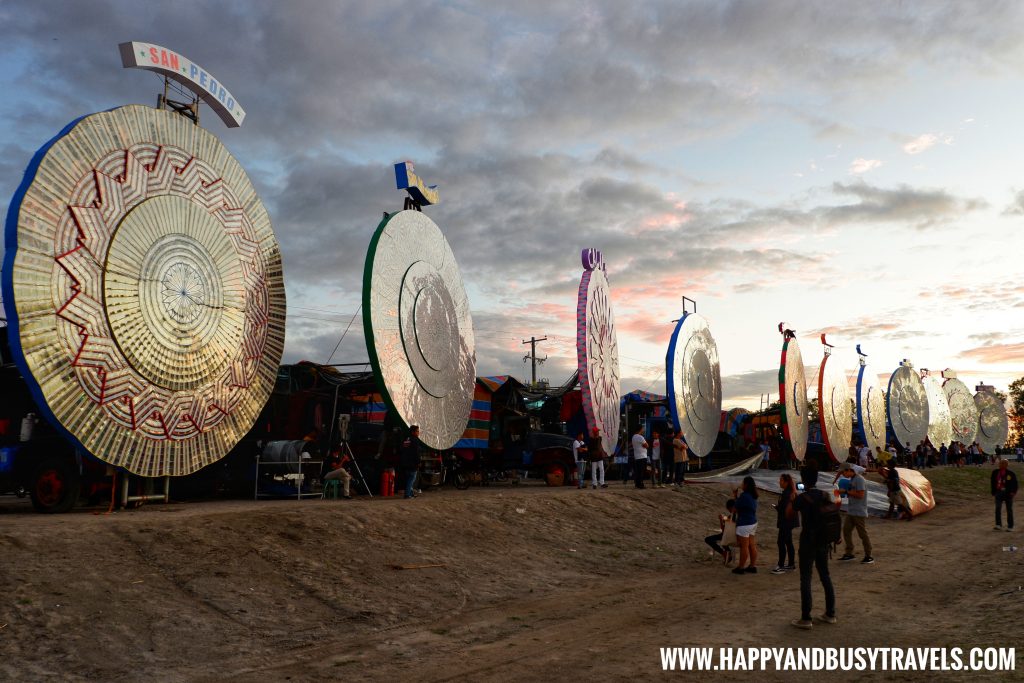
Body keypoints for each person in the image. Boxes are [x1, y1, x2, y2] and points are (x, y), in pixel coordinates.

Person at [787, 462, 837, 629]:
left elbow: (789, 514)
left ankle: (806, 617)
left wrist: (793, 495)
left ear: (803, 480)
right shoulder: (825, 495)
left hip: (808, 540)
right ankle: (830, 613)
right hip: (824, 540)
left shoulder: (802, 498)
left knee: (806, 578)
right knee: (825, 576)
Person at [837, 463, 873, 563]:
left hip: (859, 511)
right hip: (852, 510)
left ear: (849, 470)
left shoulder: (859, 479)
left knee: (862, 534)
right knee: (846, 530)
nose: (842, 474)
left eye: (843, 472)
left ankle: (868, 556)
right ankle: (849, 553)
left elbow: (860, 495)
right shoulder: (853, 479)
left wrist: (846, 492)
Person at [771, 473, 799, 574]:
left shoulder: (787, 493)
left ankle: (781, 565)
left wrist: (777, 507)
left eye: (781, 480)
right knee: (788, 542)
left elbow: (785, 508)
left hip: (786, 521)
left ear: (786, 482)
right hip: (789, 521)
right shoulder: (790, 492)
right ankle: (791, 564)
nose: (779, 482)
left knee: (781, 542)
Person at [732, 476, 759, 574]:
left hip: (744, 523)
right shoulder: (754, 495)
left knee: (744, 546)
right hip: (753, 522)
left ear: (746, 485)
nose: (742, 484)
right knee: (752, 545)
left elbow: (734, 509)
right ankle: (752, 566)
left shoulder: (744, 496)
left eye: (743, 483)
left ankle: (741, 567)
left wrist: (735, 496)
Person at [705, 499, 736, 565]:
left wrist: (721, 520)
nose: (729, 510)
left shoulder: (731, 517)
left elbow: (723, 529)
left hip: (727, 536)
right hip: (732, 536)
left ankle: (724, 553)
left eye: (729, 509)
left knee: (709, 539)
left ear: (731, 507)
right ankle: (726, 553)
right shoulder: (739, 516)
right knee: (721, 538)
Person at [991, 458, 1018, 531]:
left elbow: (1015, 484)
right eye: (1000, 463)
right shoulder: (995, 472)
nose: (1001, 465)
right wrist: (993, 492)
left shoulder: (1011, 473)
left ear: (1007, 465)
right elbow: (993, 483)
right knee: (998, 508)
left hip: (1008, 493)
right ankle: (998, 524)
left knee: (1009, 509)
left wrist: (1013, 492)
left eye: (1003, 463)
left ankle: (1010, 526)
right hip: (998, 492)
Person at [401, 425, 422, 499]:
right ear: (413, 432)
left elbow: (403, 450)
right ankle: (407, 494)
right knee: (412, 479)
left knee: (409, 478)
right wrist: (419, 461)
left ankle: (410, 493)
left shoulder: (406, 439)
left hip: (405, 462)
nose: (418, 433)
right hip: (412, 463)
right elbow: (416, 452)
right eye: (417, 431)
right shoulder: (415, 440)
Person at [630, 425, 648, 489]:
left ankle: (637, 483)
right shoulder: (640, 437)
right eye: (642, 429)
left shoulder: (633, 437)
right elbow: (646, 445)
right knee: (641, 471)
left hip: (637, 456)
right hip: (642, 456)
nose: (643, 430)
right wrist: (644, 445)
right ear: (640, 429)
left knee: (638, 471)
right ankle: (640, 484)